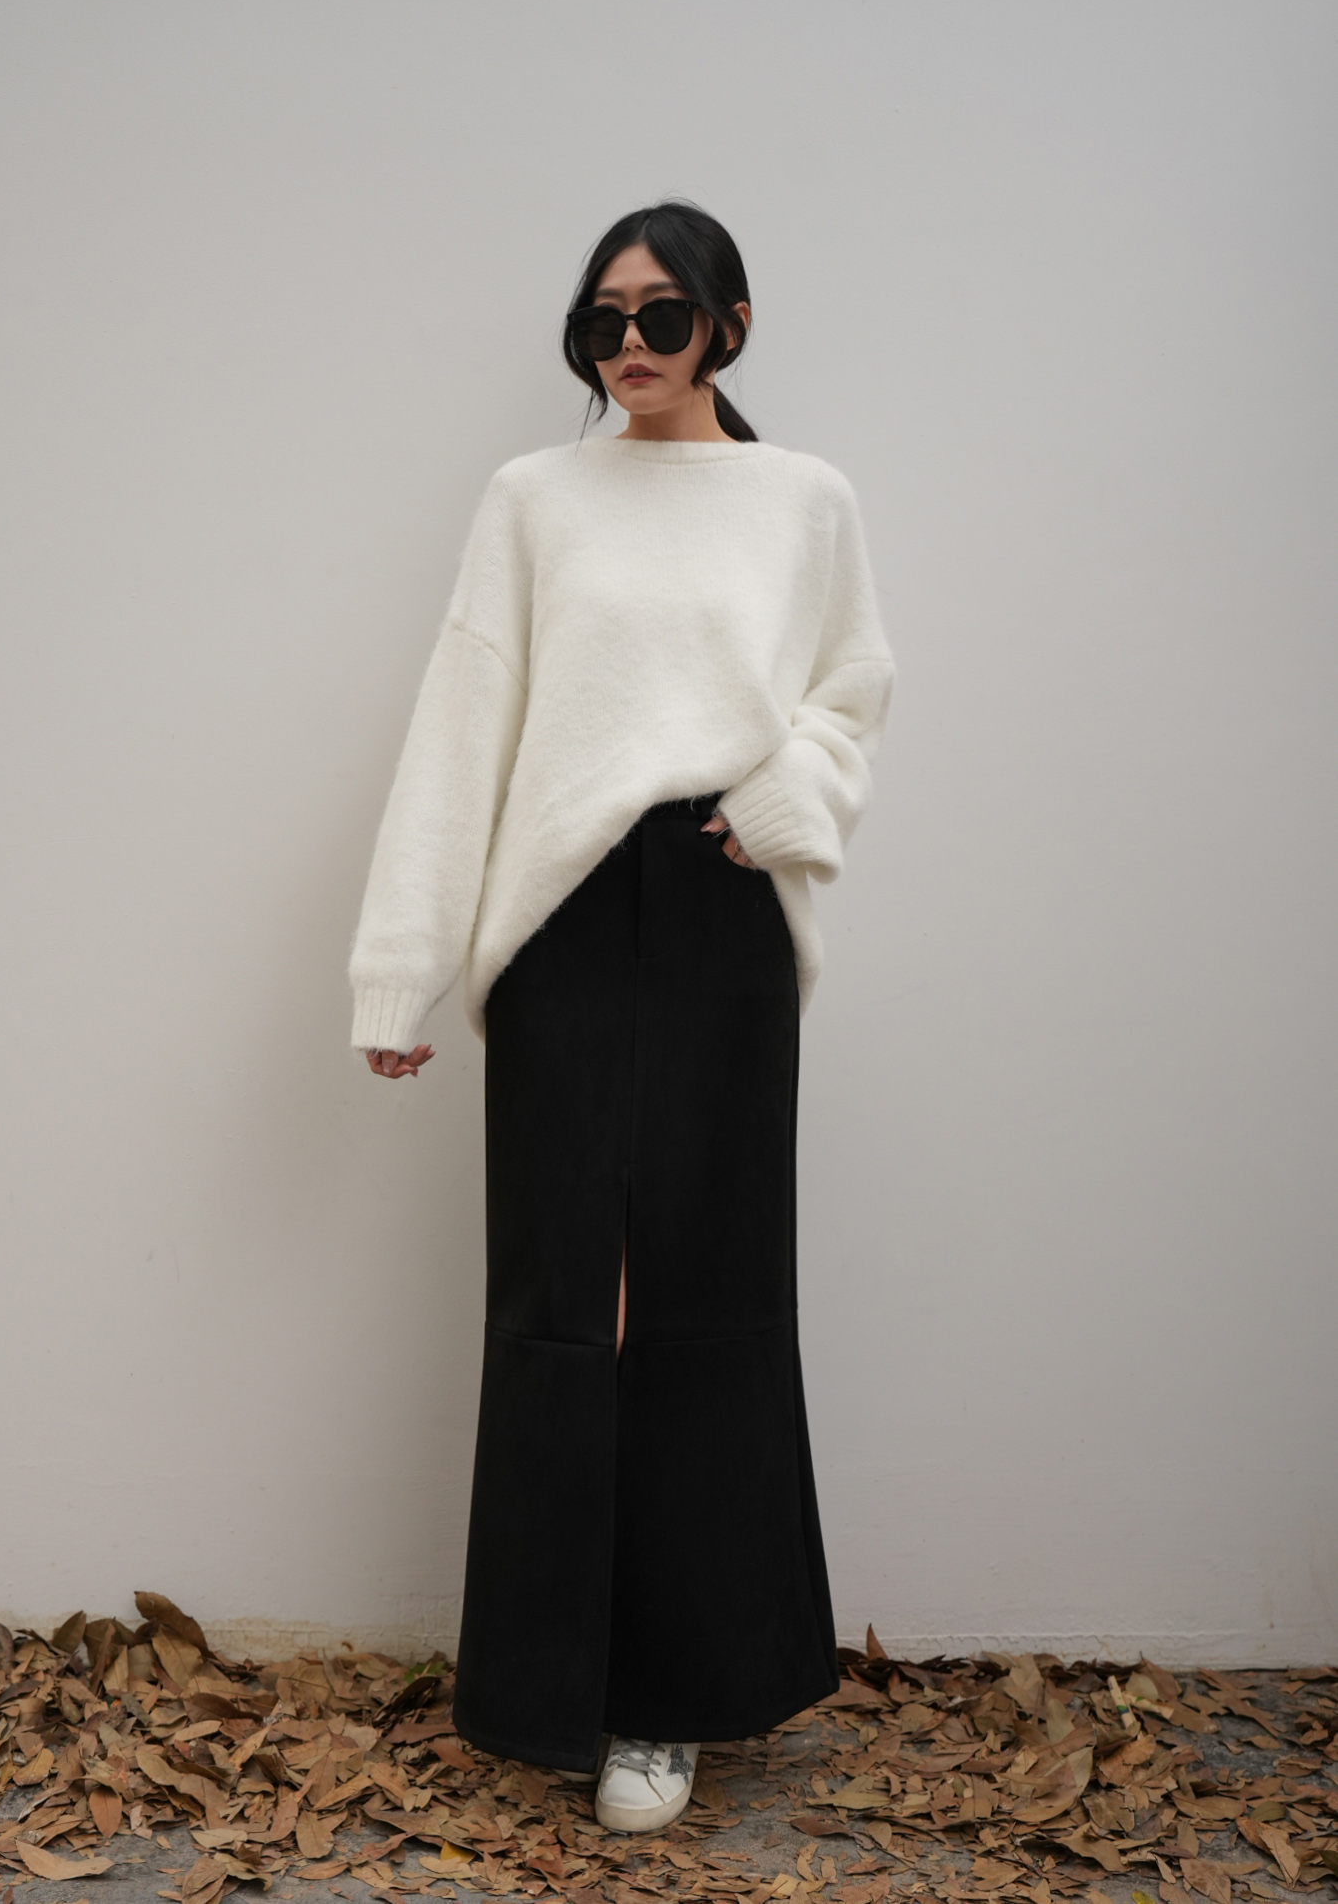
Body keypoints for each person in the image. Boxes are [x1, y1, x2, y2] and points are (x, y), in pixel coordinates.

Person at [347, 200, 896, 1834]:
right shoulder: (535, 497)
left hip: (725, 910)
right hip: (566, 921)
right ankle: (548, 1685)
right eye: (603, 322)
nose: (631, 346)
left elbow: (854, 690)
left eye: (662, 315)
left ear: (732, 321)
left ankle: (673, 1694)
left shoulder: (805, 500)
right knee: (564, 1291)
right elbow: (466, 720)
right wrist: (405, 963)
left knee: (709, 1292)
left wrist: (784, 798)